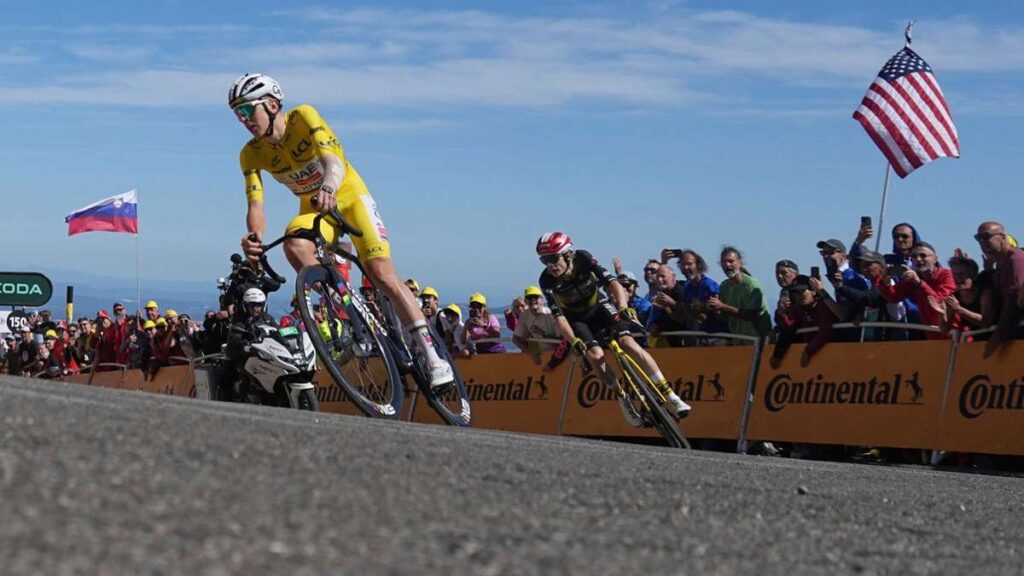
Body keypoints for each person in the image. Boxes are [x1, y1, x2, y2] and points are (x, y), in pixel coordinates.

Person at [229, 73, 454, 389]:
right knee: (294, 244)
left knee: (381, 272)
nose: (243, 119)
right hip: (315, 209)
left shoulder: (303, 117)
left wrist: (329, 187)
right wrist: (254, 238)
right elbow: (256, 204)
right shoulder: (250, 153)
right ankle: (343, 311)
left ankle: (432, 356)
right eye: (237, 114)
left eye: (247, 110)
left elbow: (332, 161)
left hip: (347, 197)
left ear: (272, 104)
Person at [536, 232, 690, 418]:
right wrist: (573, 340)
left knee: (628, 343)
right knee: (595, 356)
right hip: (577, 319)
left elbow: (612, 283)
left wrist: (623, 307)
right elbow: (559, 317)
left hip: (599, 306)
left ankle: (669, 394)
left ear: (567, 255)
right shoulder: (546, 280)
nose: (550, 266)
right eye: (544, 261)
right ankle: (622, 398)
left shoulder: (583, 258)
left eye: (553, 259)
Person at [878, 241, 957, 340]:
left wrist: (920, 284)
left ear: (935, 259)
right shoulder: (914, 277)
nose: (918, 259)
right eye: (914, 257)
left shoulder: (946, 275)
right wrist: (885, 282)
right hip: (930, 334)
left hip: (952, 333)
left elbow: (939, 302)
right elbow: (893, 297)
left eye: (923, 256)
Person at [976, 222, 1024, 358]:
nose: (982, 241)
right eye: (978, 238)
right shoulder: (1000, 264)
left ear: (1002, 237)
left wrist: (996, 338)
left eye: (986, 236)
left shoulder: (1016, 260)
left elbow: (1013, 302)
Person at [707, 247, 772, 341]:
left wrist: (722, 306)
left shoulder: (751, 284)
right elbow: (723, 318)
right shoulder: (724, 286)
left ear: (739, 262)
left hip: (757, 340)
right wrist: (716, 309)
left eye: (731, 261)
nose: (727, 265)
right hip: (738, 340)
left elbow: (751, 315)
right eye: (724, 262)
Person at [512, 286, 561, 363]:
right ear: (526, 301)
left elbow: (562, 340)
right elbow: (515, 339)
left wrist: (543, 334)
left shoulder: (552, 315)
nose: (533, 300)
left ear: (542, 300)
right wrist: (530, 353)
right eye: (529, 298)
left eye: (535, 297)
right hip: (542, 356)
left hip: (560, 355)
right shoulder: (524, 316)